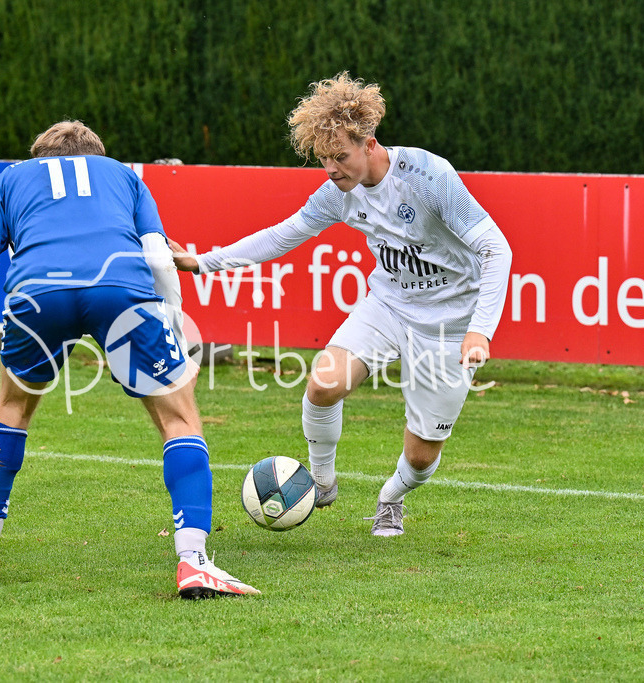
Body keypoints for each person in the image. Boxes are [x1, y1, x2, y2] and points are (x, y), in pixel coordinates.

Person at [172, 73, 512, 537]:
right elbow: (282, 235)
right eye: (323, 159)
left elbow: (497, 250)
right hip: (389, 304)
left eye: (340, 156)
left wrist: (480, 329)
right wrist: (202, 262)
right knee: (324, 384)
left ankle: (391, 497)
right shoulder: (338, 193)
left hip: (449, 324)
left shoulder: (430, 177)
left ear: (369, 143)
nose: (331, 169)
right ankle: (322, 484)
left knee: (421, 455)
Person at [0, 120, 258, 598]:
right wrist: (175, 329)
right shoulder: (124, 176)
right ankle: (194, 562)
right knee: (180, 418)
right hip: (120, 290)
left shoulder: (11, 178)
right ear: (95, 154)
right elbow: (159, 257)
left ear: (39, 156)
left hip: (39, 294)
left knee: (11, 410)